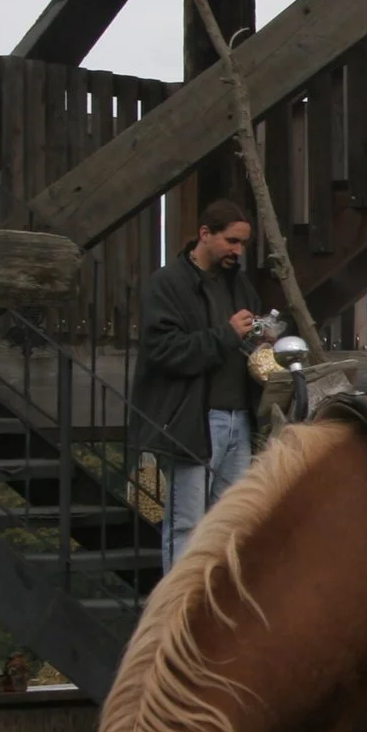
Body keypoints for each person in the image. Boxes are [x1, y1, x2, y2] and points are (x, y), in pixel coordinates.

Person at [131, 198, 264, 571]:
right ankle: (179, 613)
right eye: (231, 241)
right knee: (187, 524)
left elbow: (245, 338)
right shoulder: (168, 284)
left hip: (239, 418)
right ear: (205, 234)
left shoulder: (239, 284)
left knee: (229, 526)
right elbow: (164, 351)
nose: (238, 251)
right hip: (192, 420)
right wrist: (227, 334)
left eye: (243, 244)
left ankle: (214, 607)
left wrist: (261, 339)